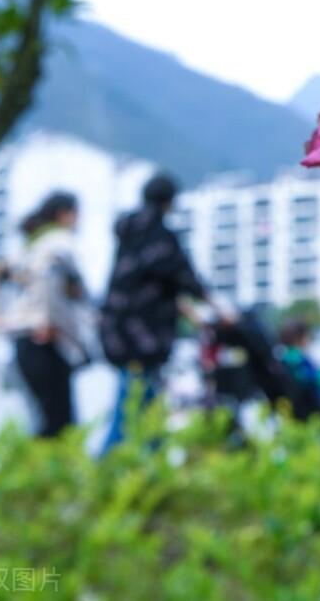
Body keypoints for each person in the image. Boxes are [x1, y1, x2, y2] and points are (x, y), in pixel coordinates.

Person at [99, 173, 208, 450]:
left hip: (118, 331)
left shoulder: (128, 233)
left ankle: (148, 462)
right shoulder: (160, 237)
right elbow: (185, 279)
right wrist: (214, 308)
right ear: (169, 202)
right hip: (146, 336)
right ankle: (108, 466)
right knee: (132, 404)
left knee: (144, 401)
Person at [0, 192, 89, 437]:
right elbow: (49, 279)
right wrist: (45, 320)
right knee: (60, 421)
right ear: (65, 214)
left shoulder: (30, 245)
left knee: (42, 417)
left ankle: (40, 470)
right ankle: (55, 473)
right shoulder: (60, 242)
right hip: (46, 339)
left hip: (23, 337)